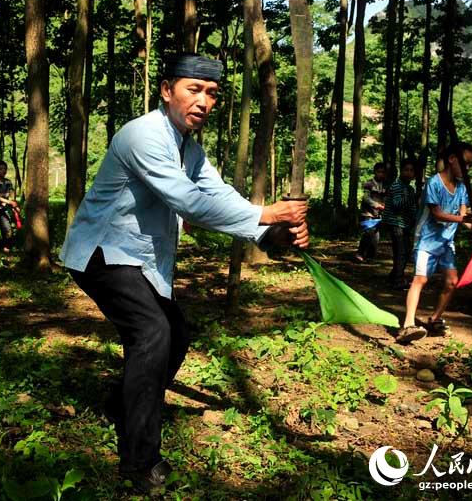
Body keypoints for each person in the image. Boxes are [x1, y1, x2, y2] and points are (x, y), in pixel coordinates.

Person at [60, 53, 309, 493]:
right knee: (153, 332)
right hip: (102, 251)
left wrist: (270, 234)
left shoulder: (188, 147)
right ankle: (138, 461)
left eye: (211, 93)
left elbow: (215, 191)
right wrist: (266, 214)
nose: (203, 101)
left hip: (136, 258)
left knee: (175, 332)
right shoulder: (144, 136)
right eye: (193, 89)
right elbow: (189, 202)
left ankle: (124, 404)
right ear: (166, 90)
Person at [396, 144, 472, 344]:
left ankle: (435, 319)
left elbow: (463, 215)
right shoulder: (433, 183)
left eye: (470, 165)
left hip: (446, 243)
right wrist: (464, 221)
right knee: (420, 280)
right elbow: (437, 214)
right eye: (466, 163)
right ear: (452, 159)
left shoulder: (462, 187)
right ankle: (408, 325)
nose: (468, 169)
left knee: (452, 282)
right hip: (426, 240)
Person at [381, 158, 417, 290]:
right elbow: (396, 205)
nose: (408, 173)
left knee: (406, 252)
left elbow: (412, 207)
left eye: (411, 170)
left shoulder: (410, 188)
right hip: (396, 224)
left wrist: (414, 219)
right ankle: (397, 280)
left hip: (405, 225)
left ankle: (393, 277)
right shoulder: (397, 186)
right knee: (401, 252)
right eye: (406, 170)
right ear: (400, 171)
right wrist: (408, 197)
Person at [354, 162, 387, 262]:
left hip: (378, 215)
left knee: (376, 236)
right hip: (367, 213)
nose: (380, 174)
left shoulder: (385, 185)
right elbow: (366, 198)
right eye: (379, 172)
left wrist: (385, 205)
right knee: (368, 233)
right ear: (375, 172)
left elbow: (386, 198)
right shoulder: (369, 184)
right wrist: (376, 205)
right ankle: (360, 253)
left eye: (383, 172)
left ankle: (370, 256)